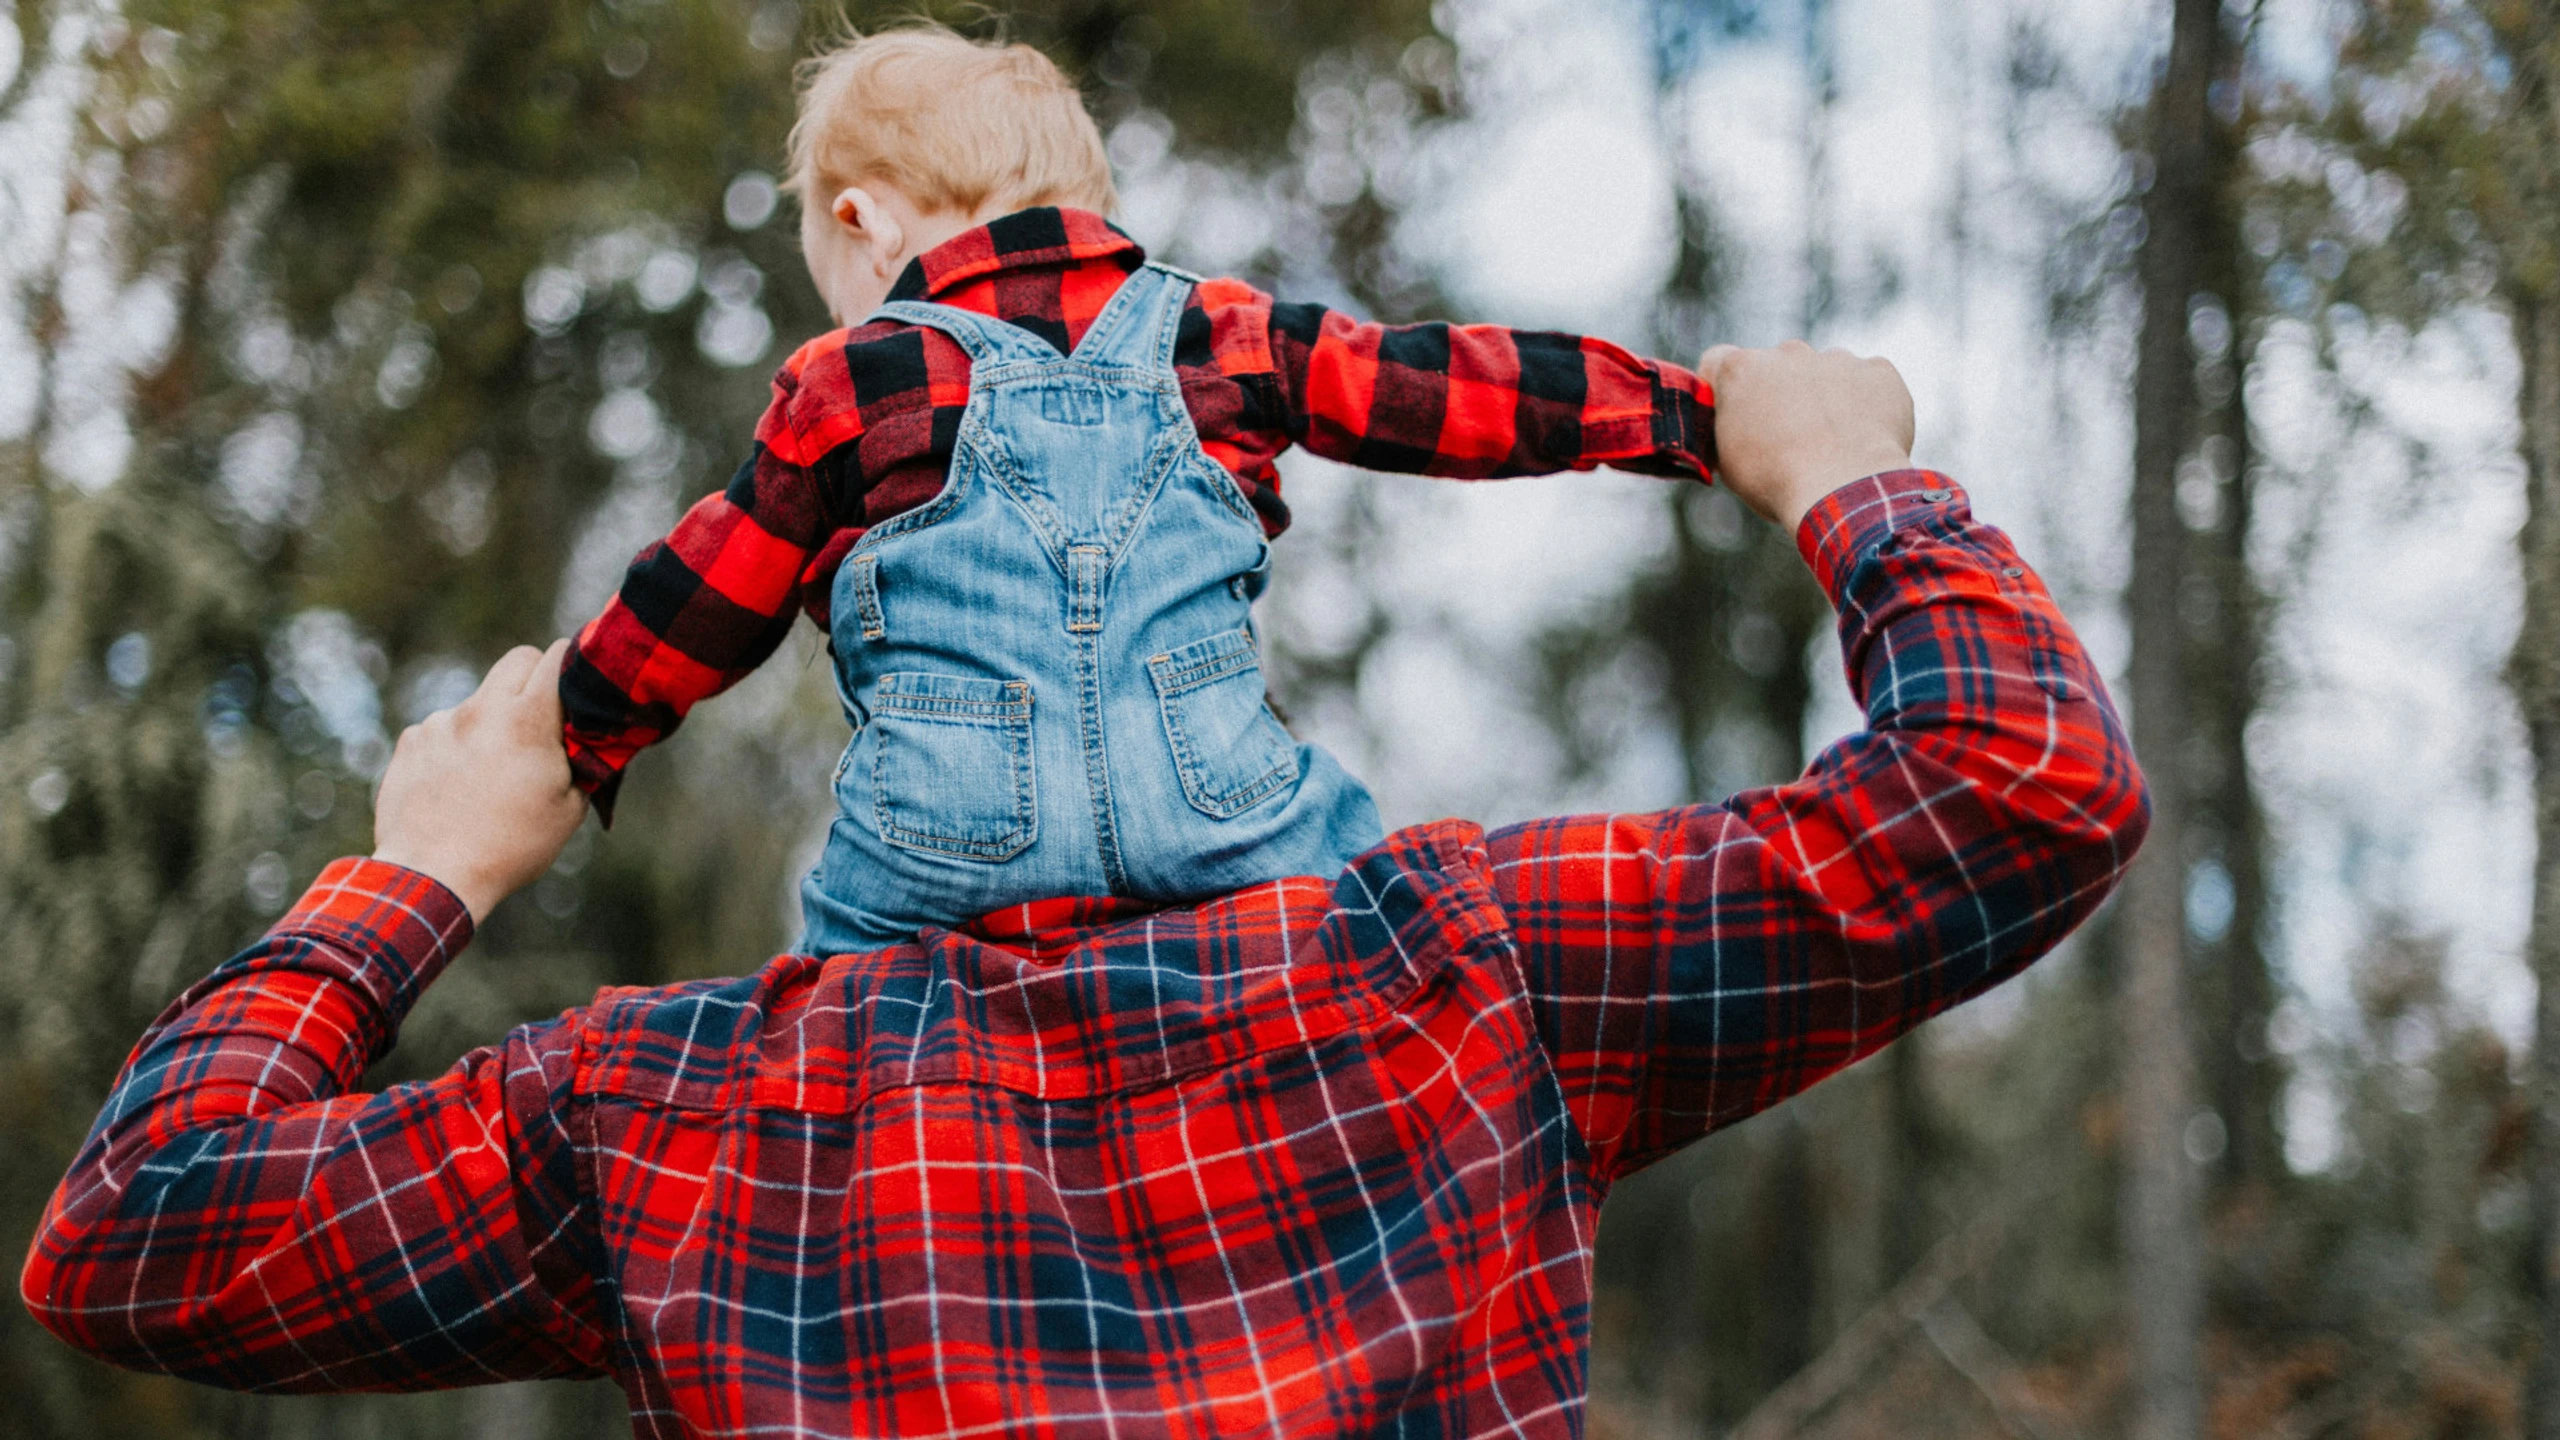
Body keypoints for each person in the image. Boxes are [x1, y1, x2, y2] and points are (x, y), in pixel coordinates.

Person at [22, 342, 2148, 1437]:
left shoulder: (672, 1121)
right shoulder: (1463, 973)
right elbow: (2020, 785)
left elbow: (139, 1237)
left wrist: (421, 876)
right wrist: (1836, 473)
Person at [560, 24, 1723, 954]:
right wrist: (1675, 410)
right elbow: (1448, 389)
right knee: (1398, 931)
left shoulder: (847, 382)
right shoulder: (1218, 338)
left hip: (933, 870)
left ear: (865, 223)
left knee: (818, 1031)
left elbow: (700, 599)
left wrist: (576, 724)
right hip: (1236, 838)